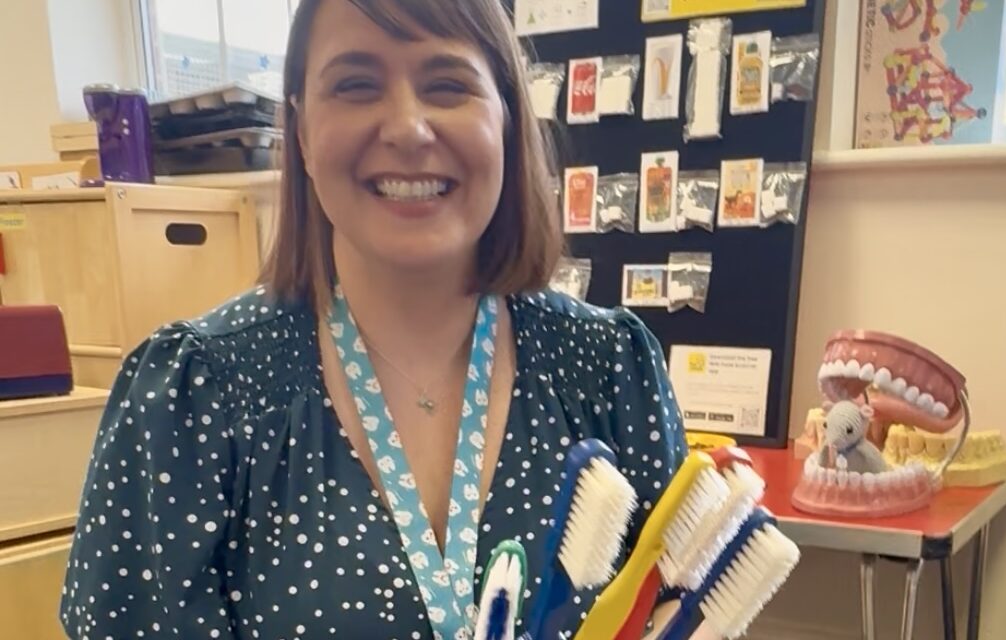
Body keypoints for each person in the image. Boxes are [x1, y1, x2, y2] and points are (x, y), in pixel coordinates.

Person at [58, 0, 687, 638]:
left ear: (506, 118)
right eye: (356, 85)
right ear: (301, 133)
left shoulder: (608, 369)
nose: (408, 128)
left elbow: (686, 606)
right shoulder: (195, 399)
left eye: (447, 84)